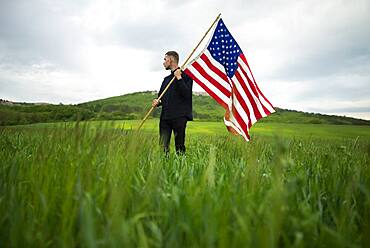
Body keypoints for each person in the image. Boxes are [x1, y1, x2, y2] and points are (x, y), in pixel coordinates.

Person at [152, 51, 193, 155]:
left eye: (165, 59)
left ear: (171, 60)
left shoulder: (186, 77)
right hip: (165, 118)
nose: (164, 62)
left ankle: (180, 169)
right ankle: (164, 168)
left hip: (179, 117)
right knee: (163, 147)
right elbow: (162, 98)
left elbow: (186, 94)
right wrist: (158, 102)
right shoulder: (166, 80)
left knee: (179, 147)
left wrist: (179, 78)